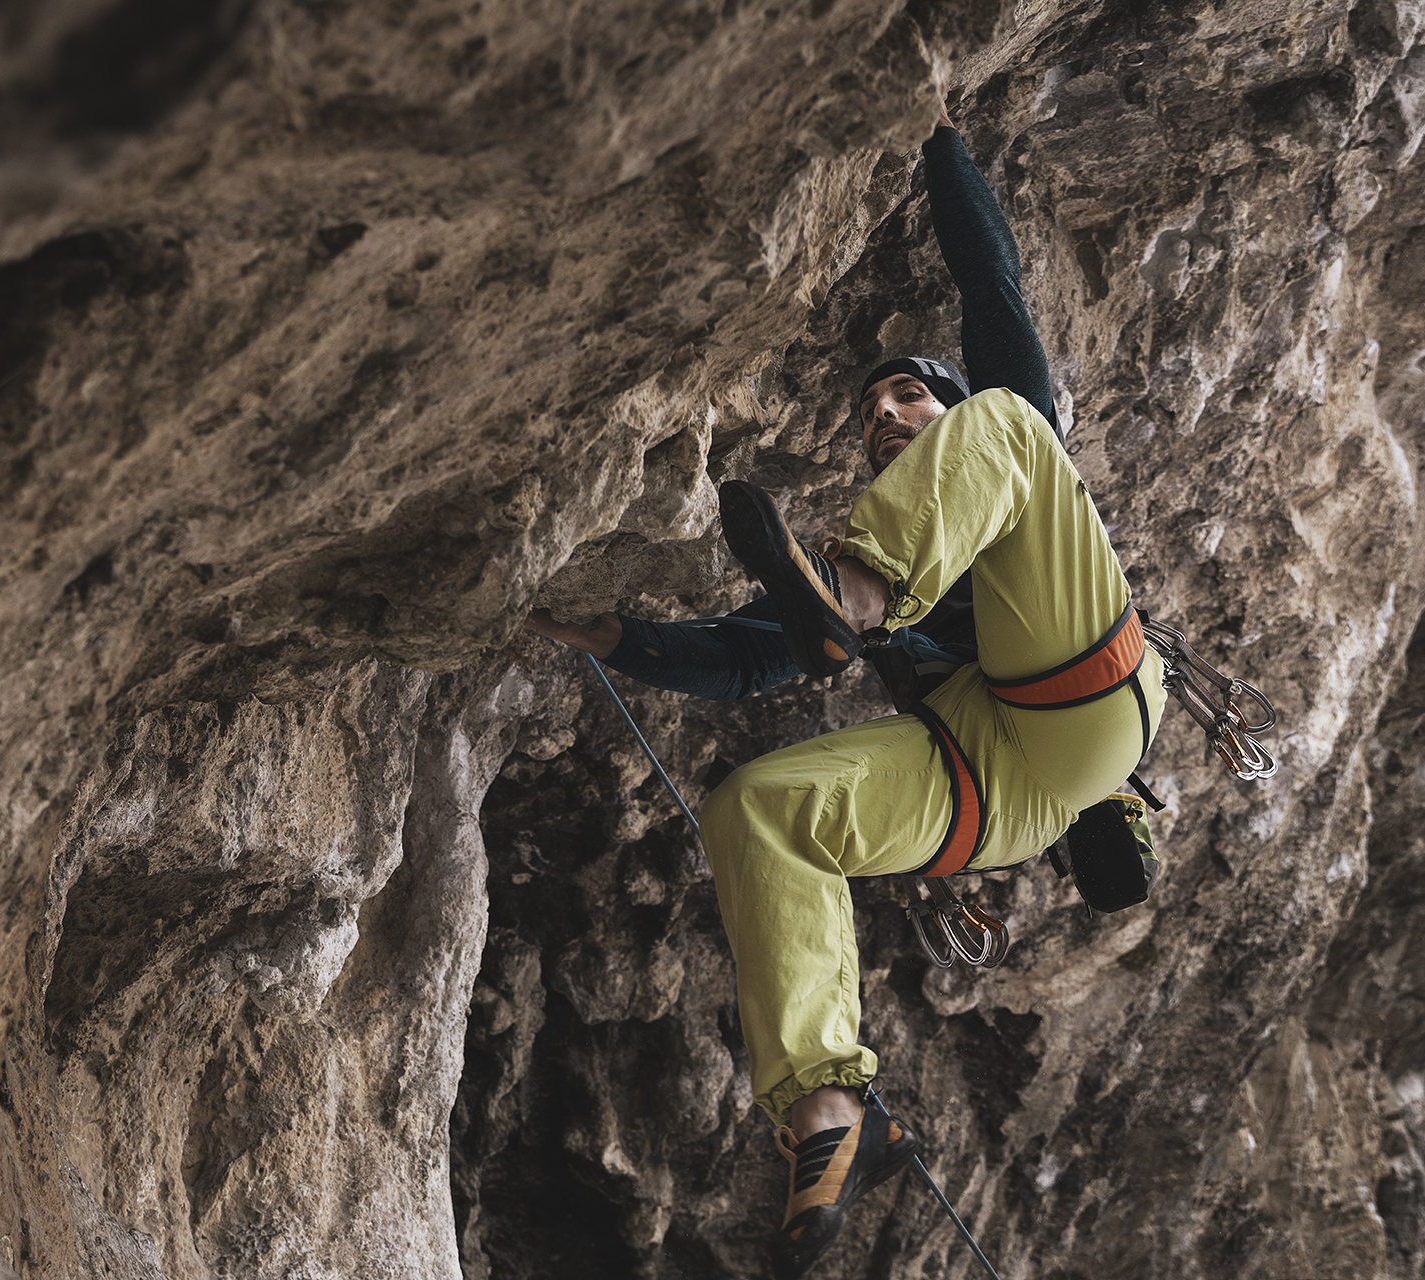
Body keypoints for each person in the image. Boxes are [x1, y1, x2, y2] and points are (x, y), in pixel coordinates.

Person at [527, 104, 1165, 1279]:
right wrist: (606, 631)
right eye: (874, 417)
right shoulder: (884, 538)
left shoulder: (998, 418)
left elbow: (991, 281)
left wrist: (936, 132)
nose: (885, 418)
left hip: (1088, 695)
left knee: (1013, 431)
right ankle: (827, 1111)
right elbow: (739, 655)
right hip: (995, 783)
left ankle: (887, 621)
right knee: (759, 808)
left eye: (904, 399)